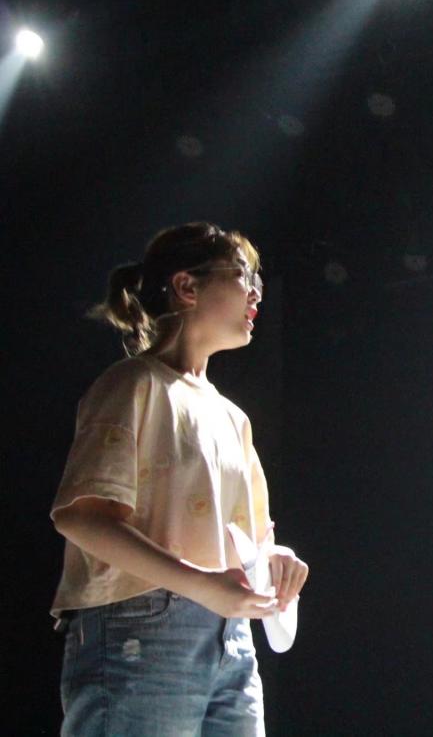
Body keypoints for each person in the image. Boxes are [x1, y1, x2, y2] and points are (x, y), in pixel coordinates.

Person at [50, 222, 309, 736]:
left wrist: (275, 560)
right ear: (187, 286)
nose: (256, 293)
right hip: (140, 627)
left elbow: (254, 537)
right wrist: (202, 585)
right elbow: (83, 517)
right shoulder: (133, 383)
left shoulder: (233, 417)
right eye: (243, 275)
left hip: (232, 637)